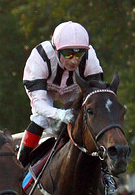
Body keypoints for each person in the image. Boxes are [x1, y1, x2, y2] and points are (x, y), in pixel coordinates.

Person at [16, 21, 104, 166]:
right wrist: (61, 115)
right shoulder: (40, 57)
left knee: (89, 117)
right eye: (68, 53)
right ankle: (21, 163)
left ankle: (103, 169)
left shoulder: (90, 58)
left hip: (74, 89)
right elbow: (39, 104)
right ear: (56, 50)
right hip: (46, 89)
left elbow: (98, 94)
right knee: (41, 119)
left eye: (79, 54)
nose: (74, 60)